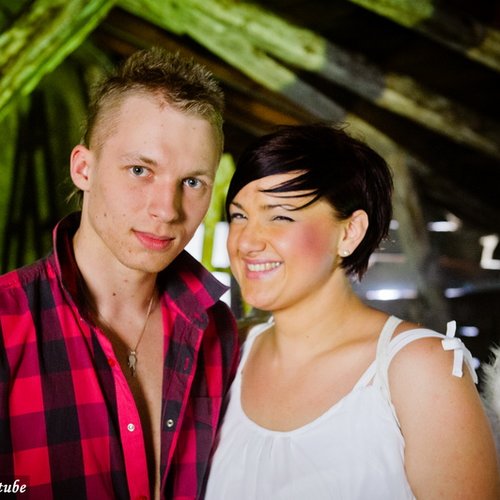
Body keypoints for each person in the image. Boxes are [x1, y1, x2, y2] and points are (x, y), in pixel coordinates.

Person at [204, 123, 499, 499]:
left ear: (349, 233)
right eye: (239, 216)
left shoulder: (417, 368)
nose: (246, 242)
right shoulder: (227, 354)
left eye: (280, 216)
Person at [0, 47, 239, 499]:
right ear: (83, 169)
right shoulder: (5, 324)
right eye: (140, 170)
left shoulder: (217, 331)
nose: (167, 210)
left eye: (192, 182)